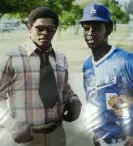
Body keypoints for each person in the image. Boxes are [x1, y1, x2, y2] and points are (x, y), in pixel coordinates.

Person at [0, 7, 82, 146]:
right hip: (27, 138)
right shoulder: (11, 57)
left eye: (51, 29)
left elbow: (63, 87)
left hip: (57, 134)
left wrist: (73, 99)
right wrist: (10, 123)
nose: (45, 33)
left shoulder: (60, 57)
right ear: (29, 28)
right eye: (40, 28)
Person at [79, 3, 133, 146]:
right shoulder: (87, 65)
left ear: (108, 30)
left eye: (96, 28)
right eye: (86, 28)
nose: (90, 32)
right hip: (100, 140)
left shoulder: (126, 60)